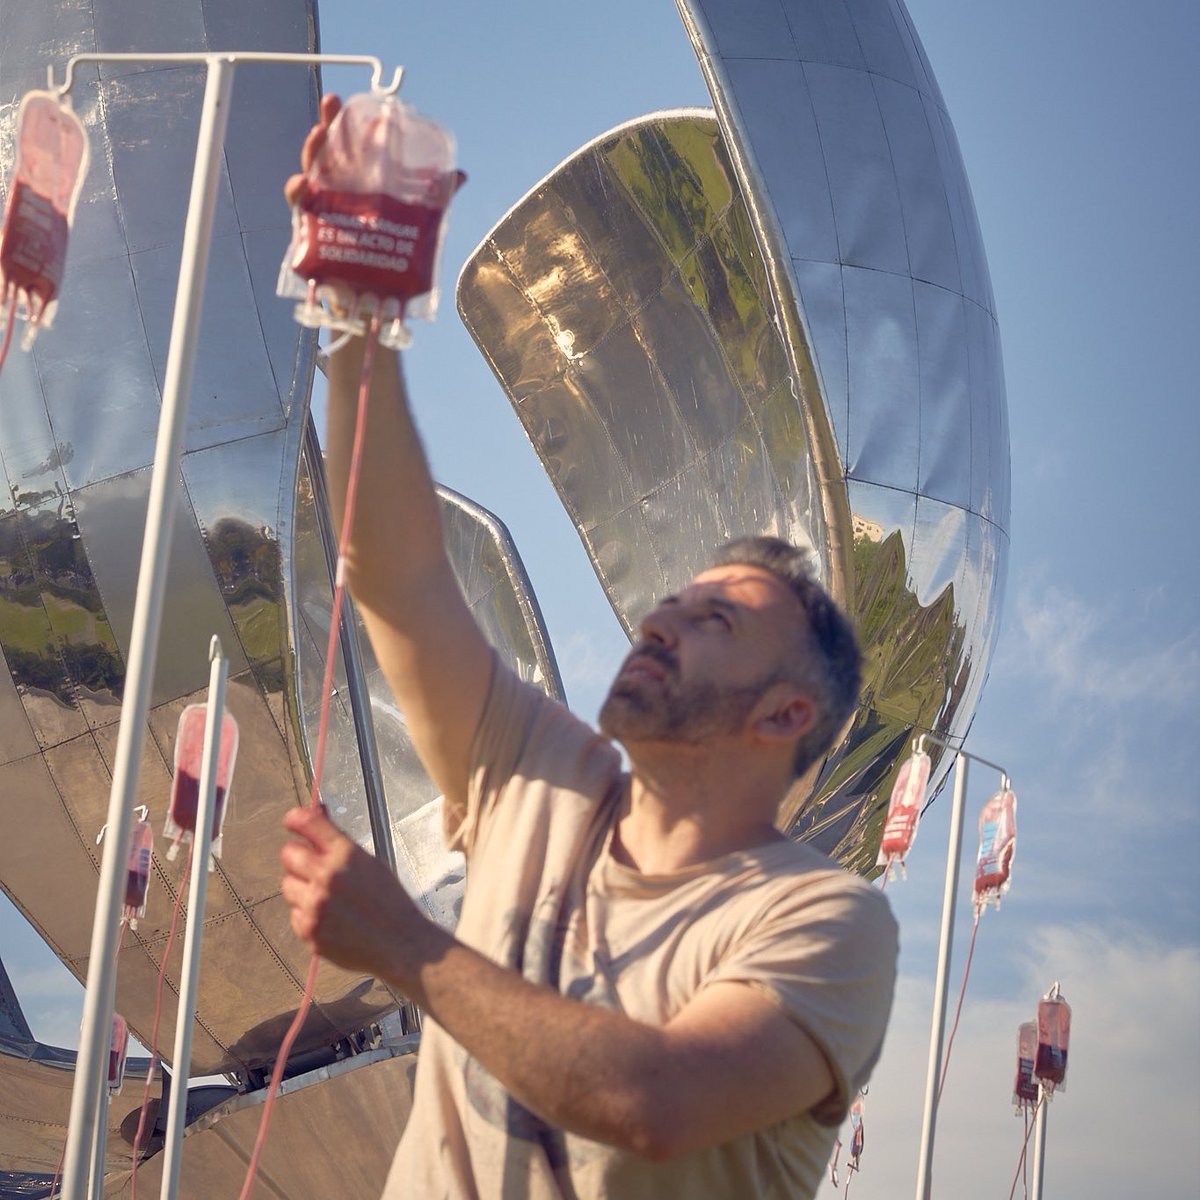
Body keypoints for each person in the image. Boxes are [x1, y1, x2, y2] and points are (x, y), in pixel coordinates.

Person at [279, 96, 897, 1200]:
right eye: (674, 602)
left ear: (785, 715)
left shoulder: (824, 922)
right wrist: (360, 323)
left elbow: (652, 1102)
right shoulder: (535, 773)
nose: (659, 621)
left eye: (713, 623)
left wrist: (411, 949)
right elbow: (399, 576)